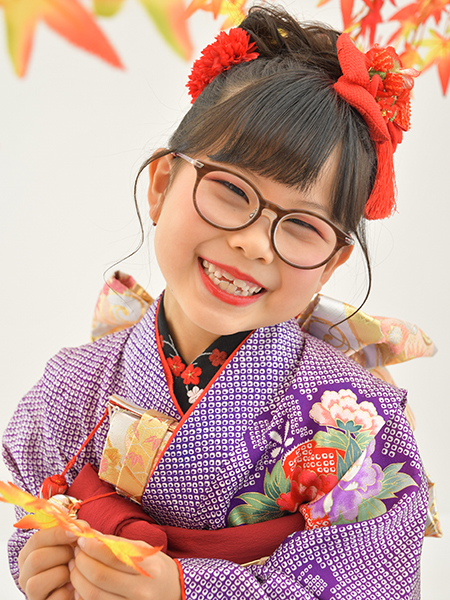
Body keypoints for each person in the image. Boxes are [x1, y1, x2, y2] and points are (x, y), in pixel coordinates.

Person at [3, 5, 427, 600]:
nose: (254, 243)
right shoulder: (72, 384)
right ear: (161, 185)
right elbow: (35, 510)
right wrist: (41, 563)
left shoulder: (356, 419)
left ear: (332, 263)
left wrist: (188, 589)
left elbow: (370, 582)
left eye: (303, 226)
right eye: (231, 190)